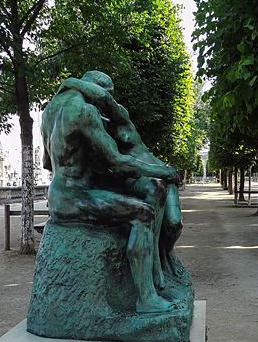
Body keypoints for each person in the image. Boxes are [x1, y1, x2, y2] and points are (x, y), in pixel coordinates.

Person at [41, 72, 180, 314]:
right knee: (142, 214)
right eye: (109, 97)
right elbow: (116, 162)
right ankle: (146, 299)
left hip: (57, 194)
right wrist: (162, 171)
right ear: (99, 91)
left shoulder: (49, 111)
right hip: (75, 197)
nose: (108, 104)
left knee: (141, 202)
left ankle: (153, 277)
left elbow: (46, 162)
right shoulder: (86, 112)